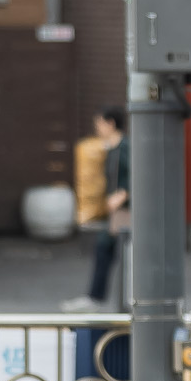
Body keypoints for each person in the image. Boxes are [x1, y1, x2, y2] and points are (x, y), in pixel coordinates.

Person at [87, 108, 128, 309]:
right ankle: (99, 297)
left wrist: (123, 194)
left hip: (125, 210)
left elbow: (137, 171)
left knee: (108, 246)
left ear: (110, 123)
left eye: (100, 123)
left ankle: (98, 297)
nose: (97, 128)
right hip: (117, 211)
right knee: (111, 248)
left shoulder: (125, 147)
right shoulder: (112, 148)